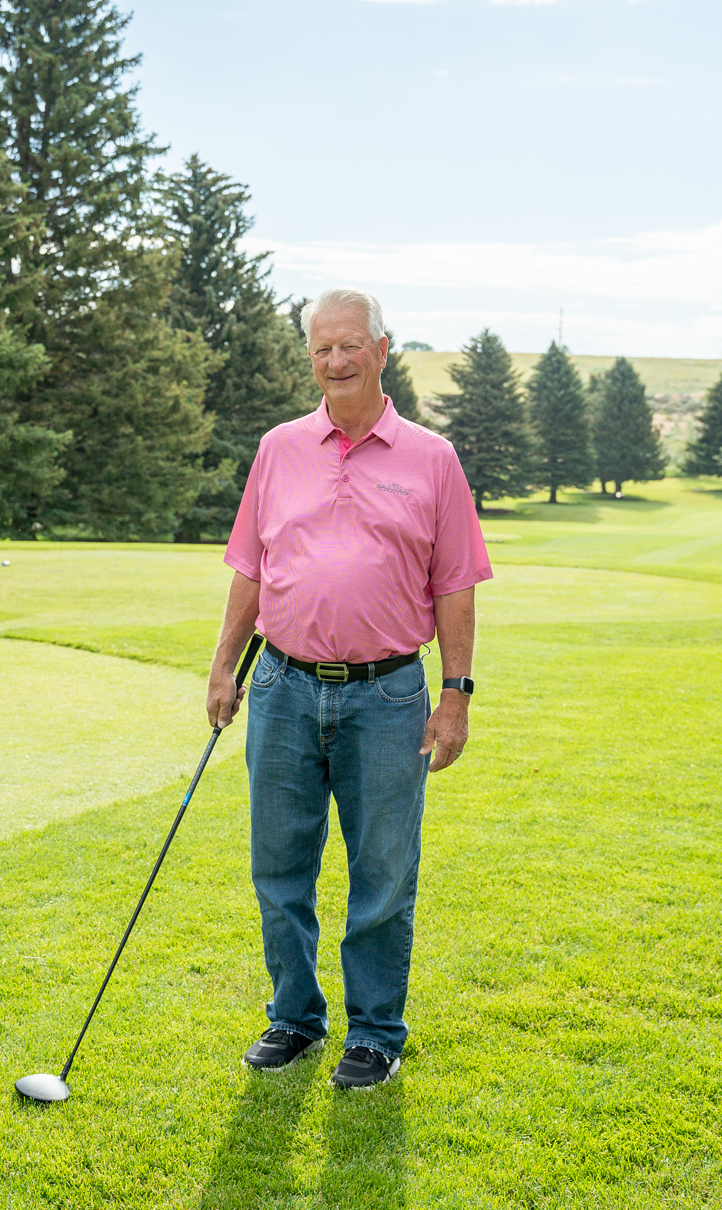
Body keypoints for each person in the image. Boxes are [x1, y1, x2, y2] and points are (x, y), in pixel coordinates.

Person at [207, 286, 491, 1090]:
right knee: (279, 869)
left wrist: (456, 695)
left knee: (383, 874)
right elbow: (251, 568)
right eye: (321, 348)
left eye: (349, 346)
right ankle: (294, 1018)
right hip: (284, 691)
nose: (334, 361)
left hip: (389, 696)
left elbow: (458, 586)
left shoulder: (431, 459)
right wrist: (225, 666)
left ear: (382, 349)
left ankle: (373, 1033)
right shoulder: (278, 448)